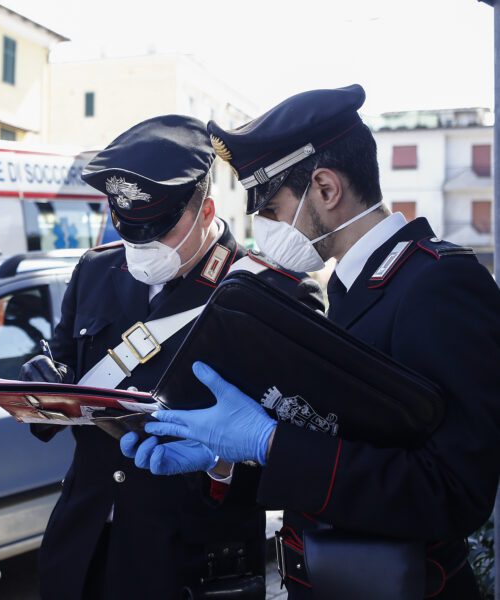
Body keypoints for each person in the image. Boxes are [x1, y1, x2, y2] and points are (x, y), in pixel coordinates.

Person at [122, 85, 500, 599]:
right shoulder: (350, 286)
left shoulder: (438, 284)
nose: (266, 230)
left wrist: (268, 442)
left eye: (273, 211)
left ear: (325, 188)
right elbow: (339, 441)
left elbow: (454, 491)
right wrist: (224, 458)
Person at [19, 114, 324, 599]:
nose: (141, 245)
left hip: (189, 561)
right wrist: (44, 390)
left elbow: (307, 454)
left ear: (206, 210)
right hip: (82, 550)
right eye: (129, 229)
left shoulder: (274, 295)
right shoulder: (97, 270)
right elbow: (67, 369)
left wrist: (222, 461)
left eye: (158, 229)